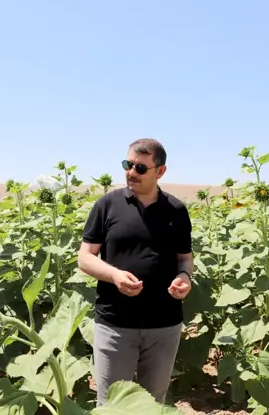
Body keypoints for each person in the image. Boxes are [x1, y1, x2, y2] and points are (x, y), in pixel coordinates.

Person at [77, 138, 194, 406]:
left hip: (164, 326)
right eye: (127, 165)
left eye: (140, 168)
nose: (131, 172)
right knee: (111, 406)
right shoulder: (107, 205)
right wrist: (115, 275)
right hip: (115, 324)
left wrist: (184, 277)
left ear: (160, 171)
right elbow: (85, 258)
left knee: (152, 404)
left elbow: (185, 259)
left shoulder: (176, 210)